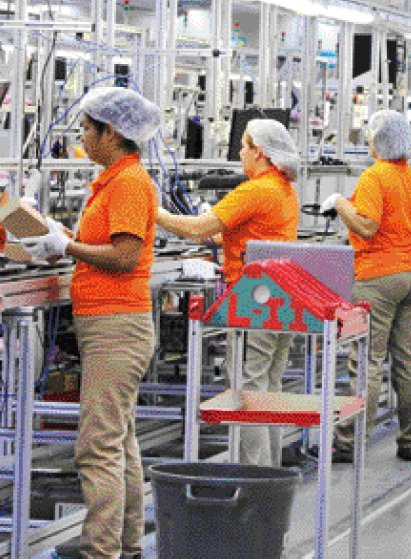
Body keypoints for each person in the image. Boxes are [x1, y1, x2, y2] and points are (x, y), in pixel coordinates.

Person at [20, 87, 160, 559]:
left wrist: (68, 247)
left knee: (97, 447)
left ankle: (100, 551)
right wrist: (61, 238)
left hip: (117, 324)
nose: (82, 137)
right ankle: (126, 543)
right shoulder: (114, 179)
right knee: (120, 441)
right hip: (112, 322)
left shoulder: (128, 183)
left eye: (87, 128)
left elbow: (125, 255)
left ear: (112, 132)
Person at [155, 118, 300, 467]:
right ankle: (270, 470)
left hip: (254, 297)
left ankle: (253, 475)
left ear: (259, 152)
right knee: (269, 389)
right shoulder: (283, 189)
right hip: (283, 297)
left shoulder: (256, 190)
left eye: (244, 146)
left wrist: (154, 213)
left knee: (248, 392)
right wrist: (217, 234)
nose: (239, 152)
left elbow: (199, 228)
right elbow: (249, 234)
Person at [321, 110, 411, 463]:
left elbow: (367, 227)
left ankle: (350, 442)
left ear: (377, 140)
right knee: (409, 359)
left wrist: (339, 203)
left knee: (367, 360)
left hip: (379, 277)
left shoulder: (374, 176)